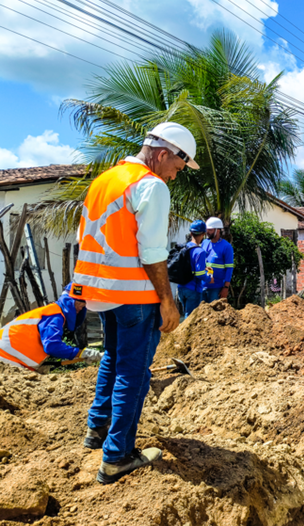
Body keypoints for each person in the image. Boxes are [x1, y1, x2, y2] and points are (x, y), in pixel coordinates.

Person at [72, 121, 197, 485]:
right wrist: (167, 301)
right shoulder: (150, 186)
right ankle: (117, 456)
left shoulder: (105, 181)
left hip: (103, 293)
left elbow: (88, 237)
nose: (175, 176)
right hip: (135, 296)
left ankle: (97, 431)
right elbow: (153, 252)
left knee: (111, 359)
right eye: (177, 167)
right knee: (134, 372)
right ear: (162, 154)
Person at [0, 286, 100, 374]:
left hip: (9, 359)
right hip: (5, 358)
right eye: (78, 304)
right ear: (68, 301)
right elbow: (52, 346)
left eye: (83, 307)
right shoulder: (54, 315)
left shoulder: (53, 313)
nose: (79, 309)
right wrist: (83, 353)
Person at [175, 220, 208, 318]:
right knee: (191, 317)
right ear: (203, 234)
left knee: (186, 313)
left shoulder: (183, 248)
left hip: (181, 288)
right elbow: (200, 274)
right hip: (193, 289)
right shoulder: (200, 251)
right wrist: (209, 279)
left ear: (190, 233)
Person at [201, 217, 234, 303]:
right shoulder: (204, 243)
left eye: (210, 230)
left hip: (216, 288)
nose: (207, 232)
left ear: (218, 230)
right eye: (207, 229)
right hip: (202, 286)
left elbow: (229, 269)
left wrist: (226, 288)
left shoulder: (226, 247)